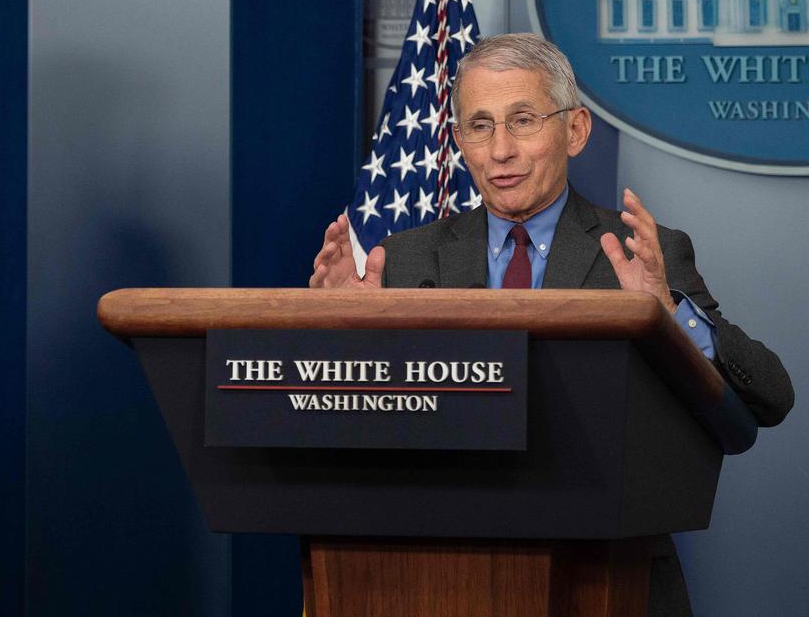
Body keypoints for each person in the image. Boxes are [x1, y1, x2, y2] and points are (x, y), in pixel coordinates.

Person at [309, 32, 792, 616]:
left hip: (606, 577)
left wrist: (668, 315)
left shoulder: (641, 252)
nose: (501, 151)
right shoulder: (404, 259)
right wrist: (338, 334)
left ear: (576, 130)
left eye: (523, 120)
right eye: (480, 126)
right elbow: (356, 428)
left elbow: (769, 398)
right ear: (459, 141)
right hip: (433, 579)